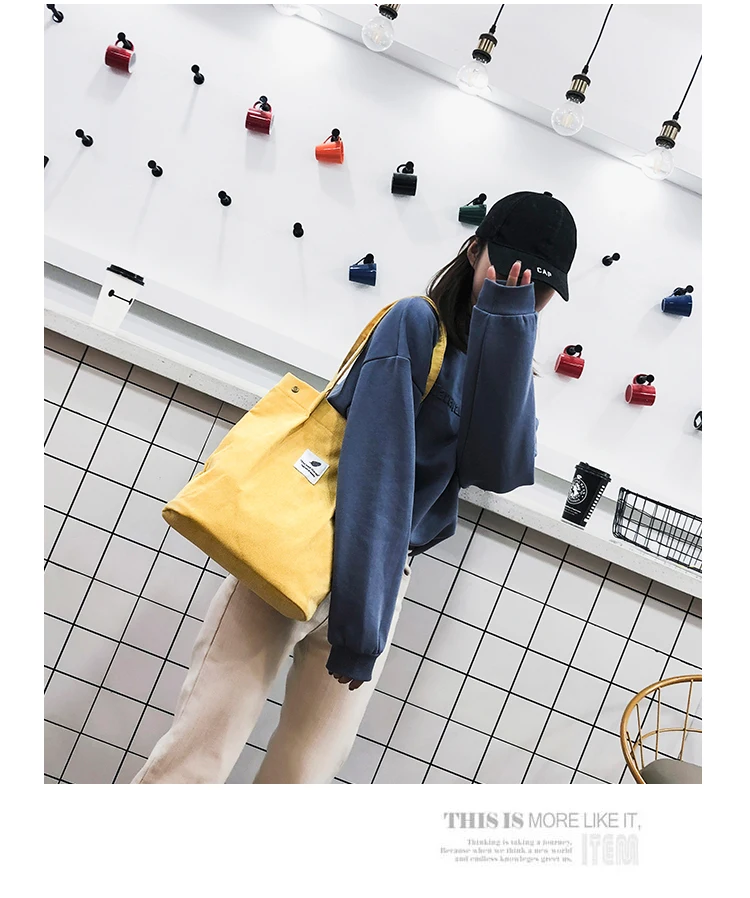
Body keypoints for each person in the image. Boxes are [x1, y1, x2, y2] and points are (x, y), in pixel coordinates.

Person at [131, 190, 578, 784]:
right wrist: (363, 626)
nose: (523, 287)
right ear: (474, 250)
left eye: (540, 287)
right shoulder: (415, 322)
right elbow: (377, 469)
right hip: (304, 545)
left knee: (300, 779)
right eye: (510, 268)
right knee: (196, 758)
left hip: (384, 575)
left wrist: (509, 329)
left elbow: (498, 472)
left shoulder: (506, 366)